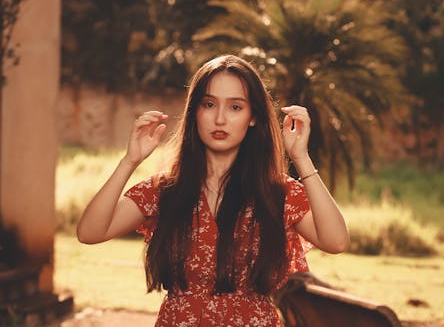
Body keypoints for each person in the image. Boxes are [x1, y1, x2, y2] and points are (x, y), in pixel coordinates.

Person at [77, 54, 349, 326]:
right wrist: (130, 161)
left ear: (253, 117)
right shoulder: (165, 190)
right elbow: (90, 232)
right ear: (195, 112)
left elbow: (336, 241)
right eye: (209, 104)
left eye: (235, 107)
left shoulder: (277, 192)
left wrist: (301, 158)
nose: (220, 119)